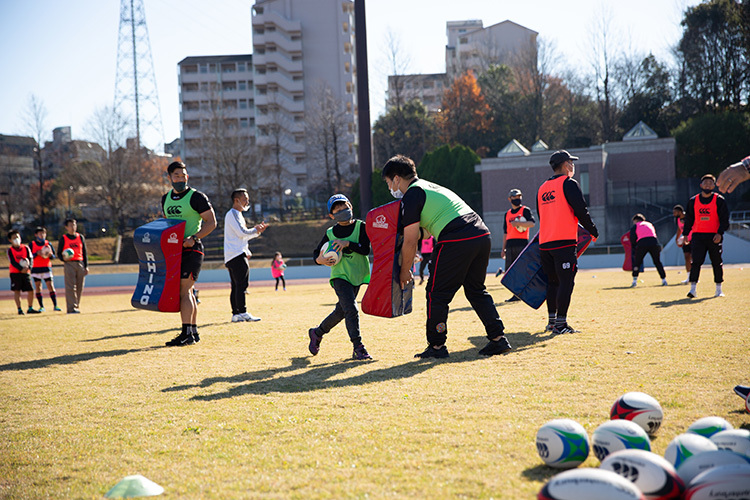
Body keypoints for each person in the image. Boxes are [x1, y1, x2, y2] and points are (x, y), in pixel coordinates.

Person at [382, 155, 511, 358]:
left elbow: (410, 240)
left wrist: (405, 270)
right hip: (481, 234)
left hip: (457, 237)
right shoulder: (430, 187)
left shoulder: (412, 195)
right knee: (476, 290)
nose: (390, 188)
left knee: (436, 293)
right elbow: (427, 230)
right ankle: (498, 339)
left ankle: (436, 346)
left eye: (389, 182)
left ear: (396, 178)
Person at [537, 150, 599, 334]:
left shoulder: (542, 188)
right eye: (571, 163)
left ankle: (551, 322)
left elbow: (542, 216)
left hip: (545, 242)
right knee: (566, 282)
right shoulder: (569, 183)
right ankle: (561, 324)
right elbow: (581, 210)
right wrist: (592, 230)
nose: (573, 166)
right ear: (566, 165)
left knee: (552, 282)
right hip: (563, 242)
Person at [308, 194, 372, 360]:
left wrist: (347, 244)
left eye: (345, 207)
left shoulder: (361, 226)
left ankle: (317, 332)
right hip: (340, 276)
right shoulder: (331, 232)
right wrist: (321, 260)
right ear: (332, 215)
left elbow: (365, 249)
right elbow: (316, 254)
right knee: (351, 309)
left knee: (342, 311)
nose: (343, 211)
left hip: (356, 275)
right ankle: (358, 347)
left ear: (350, 206)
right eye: (338, 210)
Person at [162, 161, 217, 346]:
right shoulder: (165, 198)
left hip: (192, 249)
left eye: (183, 175)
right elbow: (166, 225)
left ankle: (186, 333)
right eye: (177, 175)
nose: (181, 179)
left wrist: (194, 237)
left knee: (183, 291)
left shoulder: (197, 197)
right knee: (189, 291)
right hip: (174, 252)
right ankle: (192, 332)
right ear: (169, 178)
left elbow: (211, 222)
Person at [682, 174, 729, 298]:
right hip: (698, 236)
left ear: (714, 186)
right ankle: (693, 290)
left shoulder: (719, 200)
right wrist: (686, 234)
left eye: (710, 183)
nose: (707, 185)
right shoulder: (693, 201)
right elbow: (689, 219)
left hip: (714, 236)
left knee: (716, 262)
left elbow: (724, 219)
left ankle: (719, 290)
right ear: (701, 185)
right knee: (696, 262)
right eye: (705, 182)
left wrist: (719, 233)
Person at [224, 188, 267, 322]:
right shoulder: (233, 214)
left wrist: (256, 232)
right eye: (245, 199)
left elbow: (241, 236)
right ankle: (242, 312)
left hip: (233, 254)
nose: (247, 202)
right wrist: (255, 230)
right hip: (236, 254)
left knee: (236, 285)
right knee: (242, 284)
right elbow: (242, 233)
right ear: (236, 200)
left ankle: (236, 314)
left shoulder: (236, 215)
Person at [501, 188, 535, 301]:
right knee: (511, 271)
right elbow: (505, 232)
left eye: (519, 197)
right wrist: (503, 248)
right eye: (514, 197)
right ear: (509, 199)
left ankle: (522, 294)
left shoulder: (525, 210)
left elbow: (532, 223)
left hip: (522, 243)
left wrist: (518, 223)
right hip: (510, 244)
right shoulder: (507, 214)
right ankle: (515, 295)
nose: (517, 199)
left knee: (522, 269)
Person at [57, 218, 88, 314]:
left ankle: (76, 305)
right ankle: (71, 308)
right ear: (66, 227)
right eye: (70, 225)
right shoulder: (64, 238)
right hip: (69, 263)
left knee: (79, 286)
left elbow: (84, 252)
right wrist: (64, 259)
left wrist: (86, 266)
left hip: (80, 263)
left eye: (74, 225)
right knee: (70, 287)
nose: (73, 227)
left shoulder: (80, 237)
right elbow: (59, 253)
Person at [628, 214, 667, 287]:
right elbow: (654, 234)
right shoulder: (650, 224)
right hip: (654, 243)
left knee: (637, 262)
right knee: (657, 262)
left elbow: (632, 238)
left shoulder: (636, 226)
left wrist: (634, 246)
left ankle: (634, 281)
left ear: (636, 220)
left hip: (642, 243)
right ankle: (664, 280)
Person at [29, 226, 60, 311]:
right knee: (38, 287)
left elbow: (53, 256)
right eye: (40, 233)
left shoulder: (48, 244)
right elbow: (29, 256)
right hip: (36, 268)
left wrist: (50, 255)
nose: (42, 235)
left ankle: (55, 305)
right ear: (36, 235)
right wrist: (36, 254)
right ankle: (42, 306)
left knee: (50, 286)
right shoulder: (32, 244)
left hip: (46, 267)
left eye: (44, 233)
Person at [7, 230, 38, 315]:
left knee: (30, 290)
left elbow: (30, 258)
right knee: (17, 291)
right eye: (14, 238)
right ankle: (19, 309)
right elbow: (12, 261)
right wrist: (20, 268)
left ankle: (30, 308)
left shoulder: (26, 248)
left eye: (17, 237)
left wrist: (29, 268)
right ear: (10, 240)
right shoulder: (10, 250)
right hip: (15, 273)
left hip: (26, 272)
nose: (16, 239)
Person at [672, 205, 692, 284]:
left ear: (680, 212)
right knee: (687, 257)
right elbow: (679, 229)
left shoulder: (688, 217)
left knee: (694, 259)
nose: (673, 214)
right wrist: (677, 238)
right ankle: (688, 277)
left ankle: (694, 277)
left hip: (693, 239)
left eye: (675, 212)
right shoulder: (678, 219)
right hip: (685, 240)